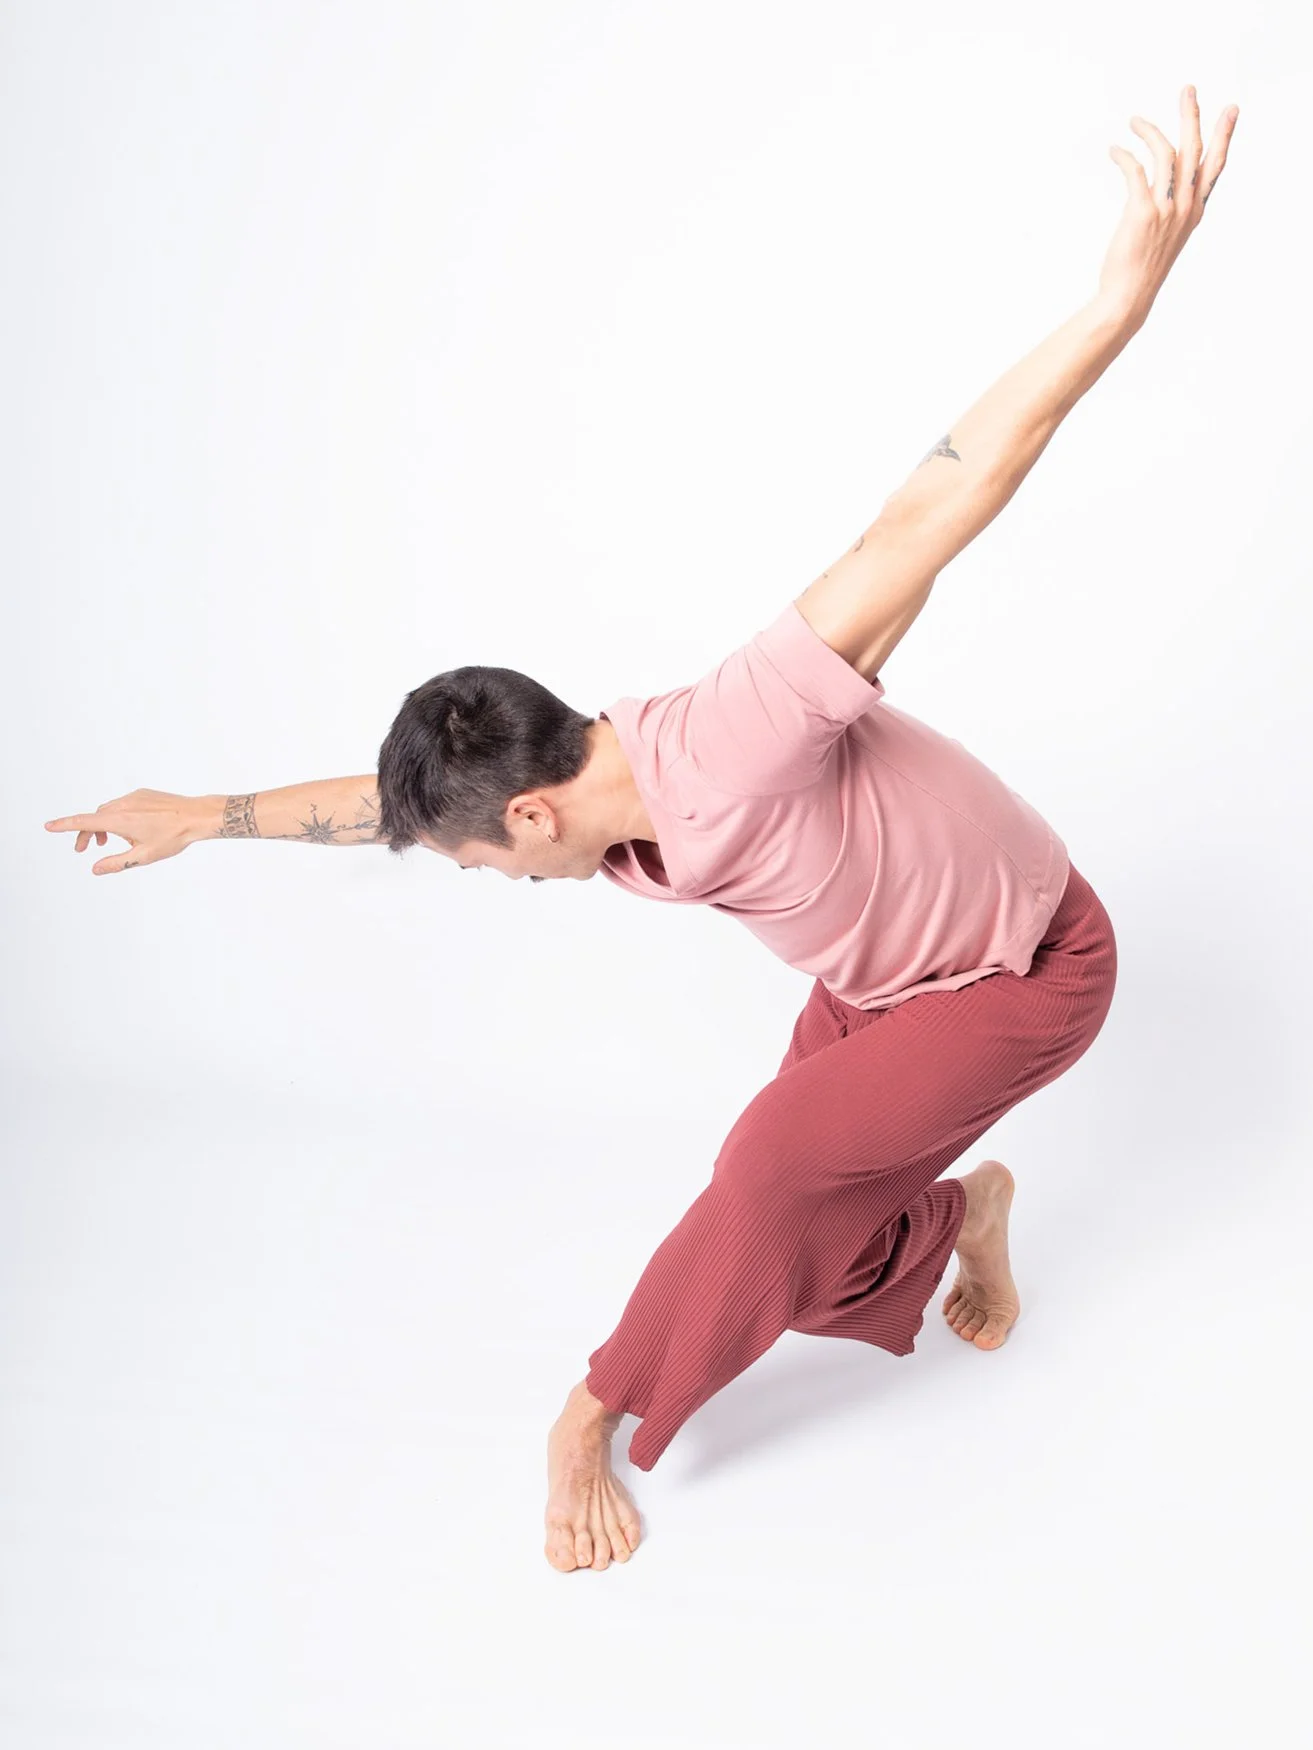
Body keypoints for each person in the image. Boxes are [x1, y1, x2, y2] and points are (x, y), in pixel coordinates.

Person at [43, 90, 1237, 1573]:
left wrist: (1113, 305)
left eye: (481, 857)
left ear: (530, 812)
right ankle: (956, 1220)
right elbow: (381, 812)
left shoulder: (734, 731)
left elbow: (925, 514)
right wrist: (205, 819)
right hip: (888, 977)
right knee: (804, 1260)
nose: (488, 875)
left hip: (1031, 965)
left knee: (764, 1167)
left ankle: (588, 1409)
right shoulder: (593, 800)